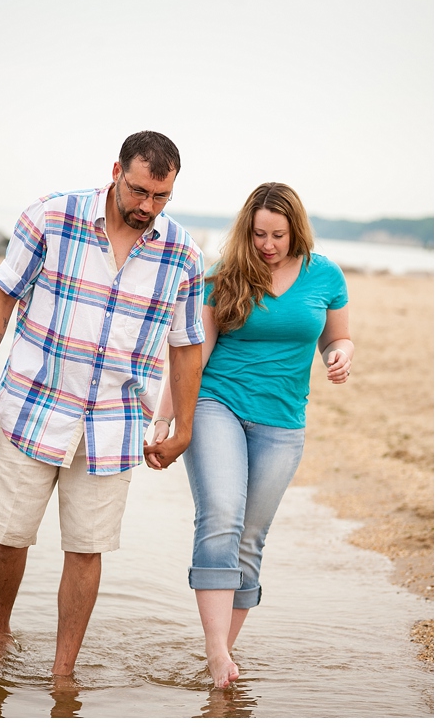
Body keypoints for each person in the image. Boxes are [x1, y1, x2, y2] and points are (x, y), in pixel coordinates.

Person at [0, 131, 206, 681]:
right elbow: (0, 298)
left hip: (115, 422)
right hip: (31, 405)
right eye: (139, 190)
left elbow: (187, 346)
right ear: (115, 170)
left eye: (160, 197)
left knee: (87, 549)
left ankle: (62, 671)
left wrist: (182, 426)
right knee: (10, 532)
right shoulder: (51, 217)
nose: (147, 207)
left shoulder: (183, 253)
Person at [145, 182, 353, 689]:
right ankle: (217, 654)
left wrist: (339, 354)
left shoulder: (324, 274)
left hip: (283, 422)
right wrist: (165, 418)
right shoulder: (225, 279)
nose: (268, 244)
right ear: (247, 230)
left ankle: (222, 655)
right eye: (259, 233)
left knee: (250, 538)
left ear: (295, 231)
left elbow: (336, 335)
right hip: (219, 404)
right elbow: (192, 355)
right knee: (220, 514)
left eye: (278, 234)